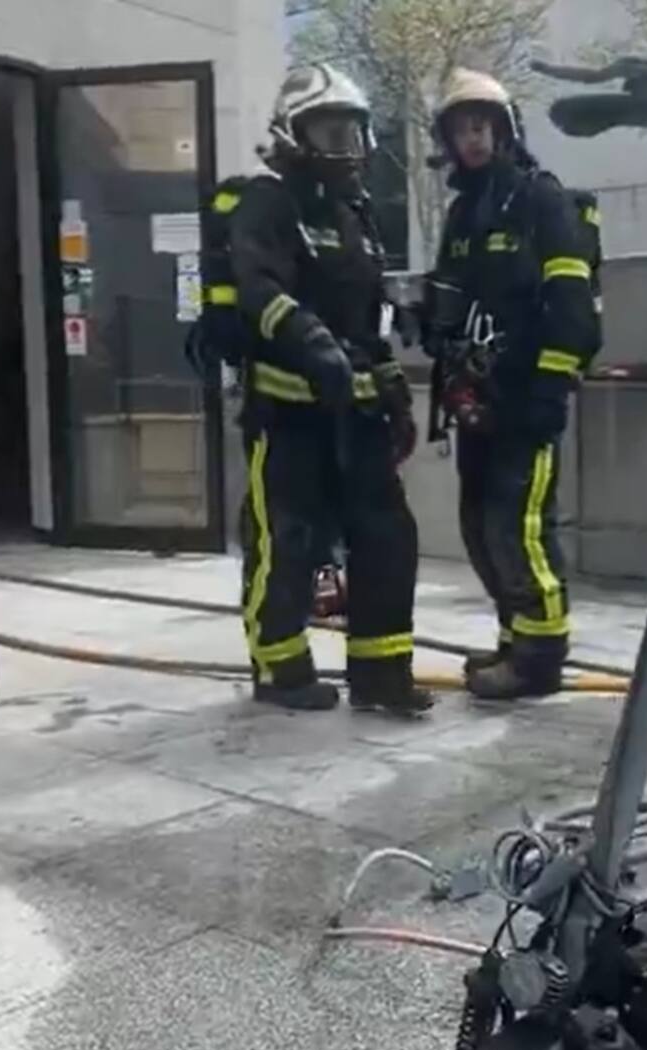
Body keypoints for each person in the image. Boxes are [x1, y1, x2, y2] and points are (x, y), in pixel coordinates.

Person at [228, 63, 432, 715]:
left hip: (358, 417)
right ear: (294, 135)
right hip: (288, 417)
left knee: (387, 538)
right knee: (286, 541)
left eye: (353, 131)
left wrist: (393, 388)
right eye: (330, 132)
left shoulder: (356, 214)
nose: (346, 146)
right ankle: (281, 669)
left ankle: (381, 674)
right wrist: (310, 340)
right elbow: (257, 287)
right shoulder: (267, 203)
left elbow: (370, 318)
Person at [426, 69, 601, 700]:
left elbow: (574, 306)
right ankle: (514, 639)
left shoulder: (541, 200)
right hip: (477, 401)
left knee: (518, 527)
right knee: (480, 528)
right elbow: (448, 300)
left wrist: (548, 392)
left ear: (504, 131)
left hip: (527, 400)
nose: (472, 139)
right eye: (461, 130)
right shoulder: (463, 213)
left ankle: (540, 659)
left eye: (482, 126)